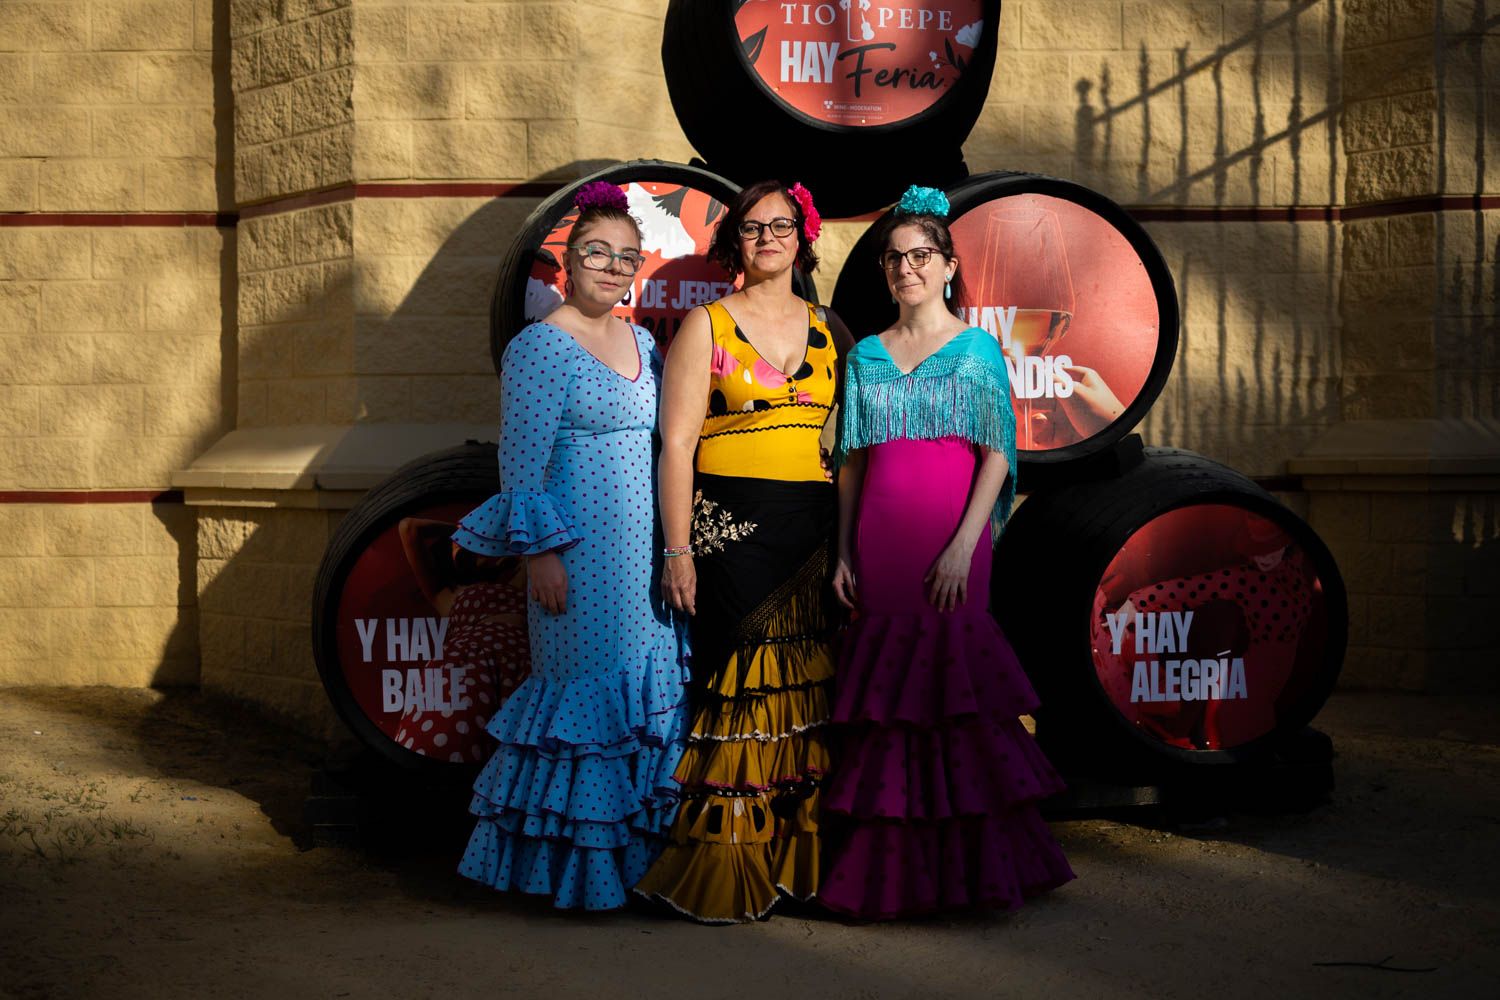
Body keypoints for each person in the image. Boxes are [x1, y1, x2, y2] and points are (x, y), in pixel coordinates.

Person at [818, 186, 1074, 919]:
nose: (907, 268)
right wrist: (843, 553)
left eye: (921, 255)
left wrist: (965, 545)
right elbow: (853, 464)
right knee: (890, 710)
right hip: (879, 545)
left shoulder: (977, 349)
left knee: (955, 702)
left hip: (953, 544)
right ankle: (890, 876)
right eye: (895, 258)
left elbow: (998, 455)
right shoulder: (866, 356)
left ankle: (972, 874)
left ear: (949, 265)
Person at [454, 182, 688, 911]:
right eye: (597, 252)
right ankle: (574, 875)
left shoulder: (643, 342)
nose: (612, 268)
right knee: (581, 714)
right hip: (577, 560)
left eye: (626, 257)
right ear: (569, 260)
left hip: (643, 558)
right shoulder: (539, 348)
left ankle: (642, 868)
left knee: (642, 704)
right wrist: (540, 556)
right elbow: (520, 468)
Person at [634, 180, 849, 923]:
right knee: (739, 691)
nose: (767, 239)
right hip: (730, 530)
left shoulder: (831, 327)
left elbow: (851, 443)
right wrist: (677, 550)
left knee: (805, 696)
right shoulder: (707, 325)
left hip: (813, 532)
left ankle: (798, 869)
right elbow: (676, 445)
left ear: (802, 237)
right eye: (753, 228)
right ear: (735, 243)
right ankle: (728, 870)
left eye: (780, 226)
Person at [392, 518, 529, 764]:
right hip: (465, 669)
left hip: (522, 666)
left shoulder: (522, 580)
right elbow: (408, 528)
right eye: (462, 546)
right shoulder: (449, 595)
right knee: (448, 741)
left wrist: (496, 542)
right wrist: (462, 531)